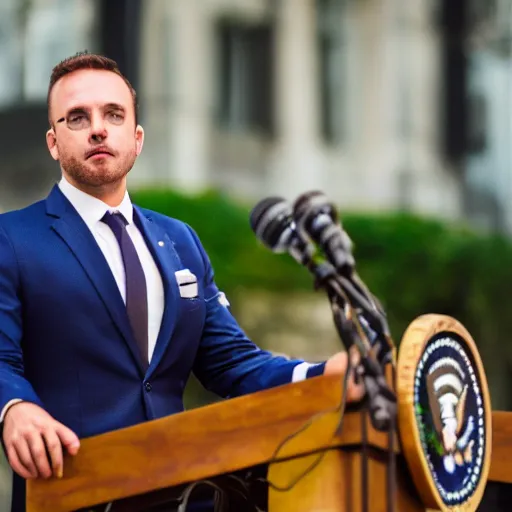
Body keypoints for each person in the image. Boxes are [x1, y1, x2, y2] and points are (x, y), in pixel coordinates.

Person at [0, 52, 364, 511]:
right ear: (53, 142)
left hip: (183, 495)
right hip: (72, 494)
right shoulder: (11, 238)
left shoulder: (180, 240)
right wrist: (14, 409)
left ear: (136, 139)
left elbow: (231, 363)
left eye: (113, 115)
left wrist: (317, 375)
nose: (98, 128)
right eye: (77, 117)